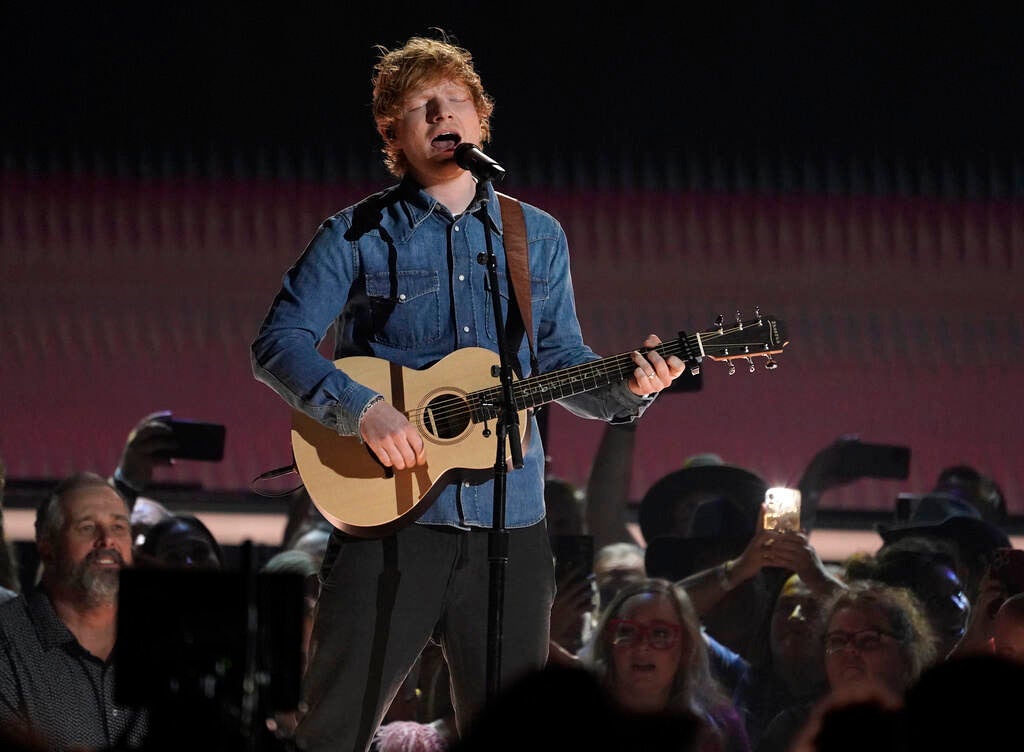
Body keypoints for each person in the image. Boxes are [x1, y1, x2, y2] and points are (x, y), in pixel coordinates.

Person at [249, 33, 686, 752]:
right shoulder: (358, 232)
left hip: (510, 527)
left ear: (482, 118)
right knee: (333, 731)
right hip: (389, 524)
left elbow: (561, 360)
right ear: (393, 132)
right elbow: (279, 342)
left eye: (454, 101)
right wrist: (362, 409)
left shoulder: (534, 235)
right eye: (420, 107)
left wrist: (631, 390)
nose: (440, 115)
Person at [0, 471, 149, 750]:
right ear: (47, 548)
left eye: (118, 527)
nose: (107, 541)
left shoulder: (163, 640)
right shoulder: (7, 640)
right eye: (87, 528)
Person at [759, 581, 936, 752]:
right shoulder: (793, 728)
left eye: (868, 639)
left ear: (906, 654)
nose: (850, 650)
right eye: (838, 641)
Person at [585, 578, 750, 752]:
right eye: (627, 631)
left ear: (686, 647)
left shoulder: (719, 725)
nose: (642, 647)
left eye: (660, 634)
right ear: (608, 641)